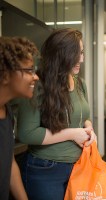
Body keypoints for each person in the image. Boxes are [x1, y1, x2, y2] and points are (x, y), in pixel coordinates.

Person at [15, 28, 97, 200]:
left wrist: (89, 128)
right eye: (76, 54)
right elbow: (27, 133)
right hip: (45, 170)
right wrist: (71, 134)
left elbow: (83, 116)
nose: (81, 59)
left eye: (82, 53)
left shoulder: (79, 83)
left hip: (78, 167)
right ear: (60, 54)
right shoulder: (37, 84)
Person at [0, 36, 39, 200]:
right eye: (29, 71)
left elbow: (9, 163)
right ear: (6, 75)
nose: (35, 77)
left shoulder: (7, 111)